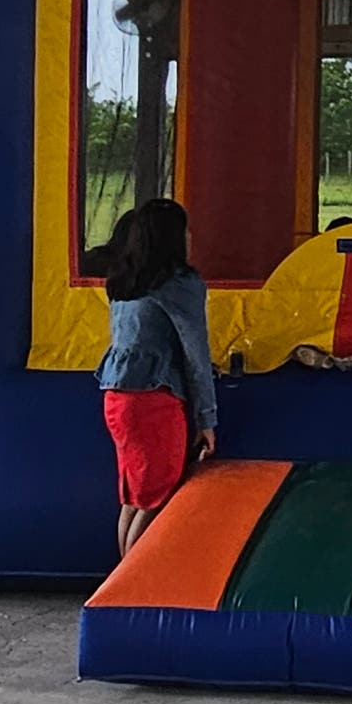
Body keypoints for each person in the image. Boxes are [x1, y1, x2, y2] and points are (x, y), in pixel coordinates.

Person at [98, 197, 218, 556]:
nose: (191, 237)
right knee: (159, 494)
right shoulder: (181, 285)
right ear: (172, 237)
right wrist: (207, 419)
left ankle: (123, 577)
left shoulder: (125, 281)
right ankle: (133, 580)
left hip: (116, 398)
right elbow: (197, 354)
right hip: (154, 400)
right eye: (185, 230)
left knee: (134, 497)